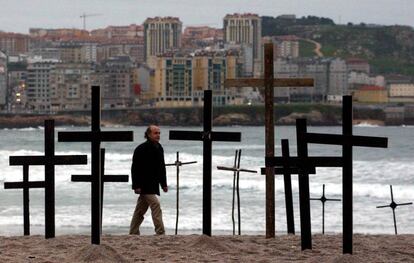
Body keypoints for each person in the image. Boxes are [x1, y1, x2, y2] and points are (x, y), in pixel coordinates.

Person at [129, 125, 168, 235]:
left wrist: (163, 184)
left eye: (159, 133)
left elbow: (161, 168)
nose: (158, 135)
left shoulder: (159, 148)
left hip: (153, 184)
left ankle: (133, 232)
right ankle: (160, 232)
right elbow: (135, 168)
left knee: (140, 211)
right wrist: (136, 185)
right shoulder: (141, 149)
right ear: (149, 134)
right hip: (144, 184)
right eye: (156, 133)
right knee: (155, 205)